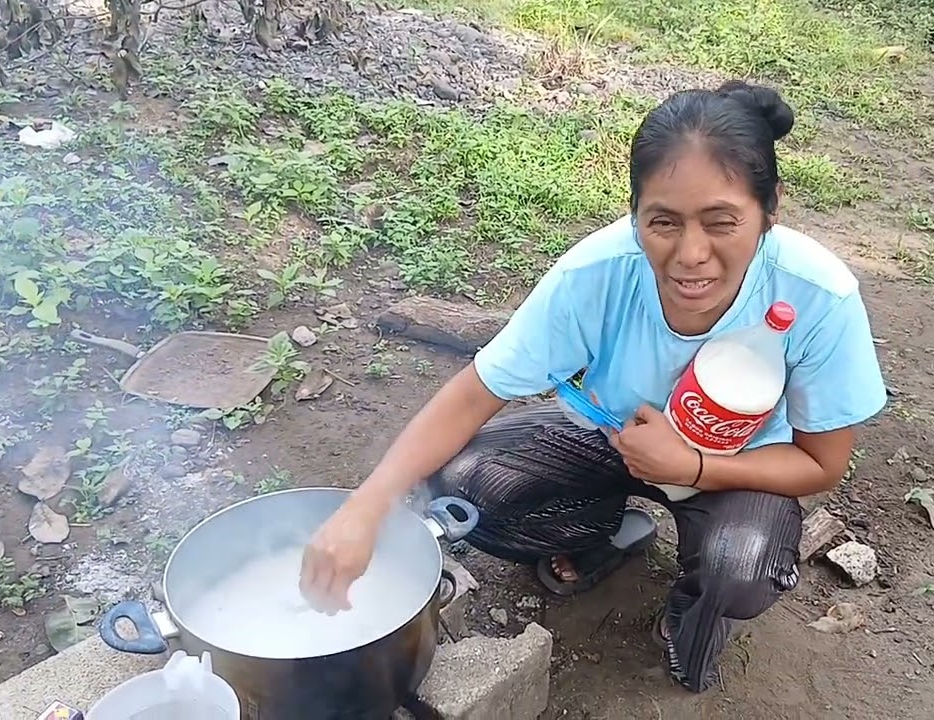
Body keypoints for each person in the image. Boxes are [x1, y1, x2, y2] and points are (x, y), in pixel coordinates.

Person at [300, 80, 888, 692]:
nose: (690, 254)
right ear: (635, 215)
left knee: (739, 568)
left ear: (769, 212)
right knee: (466, 487)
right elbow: (477, 391)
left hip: (738, 464)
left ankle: (691, 617)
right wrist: (362, 510)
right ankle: (606, 533)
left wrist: (692, 466)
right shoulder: (598, 273)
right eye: (662, 221)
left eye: (722, 222)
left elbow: (821, 464)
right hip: (607, 438)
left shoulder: (818, 295)